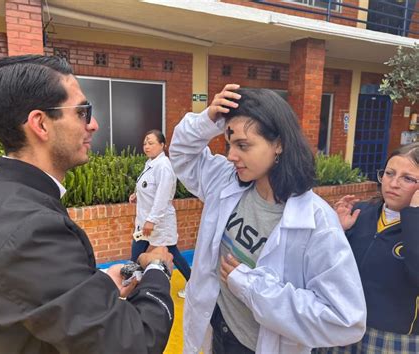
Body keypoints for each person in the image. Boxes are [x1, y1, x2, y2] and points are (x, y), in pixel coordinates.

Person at [0, 54, 174, 354]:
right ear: (40, 123)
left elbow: (32, 297)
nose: (92, 124)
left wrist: (102, 285)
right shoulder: (33, 231)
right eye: (82, 111)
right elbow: (134, 342)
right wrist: (157, 269)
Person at [169, 84, 367, 354]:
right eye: (229, 144)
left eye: (243, 145)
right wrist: (208, 120)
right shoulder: (226, 181)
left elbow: (346, 320)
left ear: (278, 144)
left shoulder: (317, 222)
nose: (230, 156)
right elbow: (182, 155)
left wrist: (251, 288)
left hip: (255, 346)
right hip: (217, 326)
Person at [315, 142, 419, 353]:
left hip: (391, 338)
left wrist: (414, 216)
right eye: (389, 173)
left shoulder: (414, 227)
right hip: (341, 324)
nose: (394, 183)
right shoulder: (360, 213)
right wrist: (338, 231)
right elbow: (322, 269)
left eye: (407, 178)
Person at [129, 129, 191, 298]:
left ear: (162, 145)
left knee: (172, 253)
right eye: (144, 143)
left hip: (158, 222)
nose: (146, 146)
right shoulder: (151, 163)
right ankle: (131, 282)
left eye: (151, 143)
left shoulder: (164, 166)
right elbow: (148, 187)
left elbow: (162, 196)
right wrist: (136, 195)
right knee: (137, 249)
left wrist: (152, 220)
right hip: (146, 221)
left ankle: (192, 284)